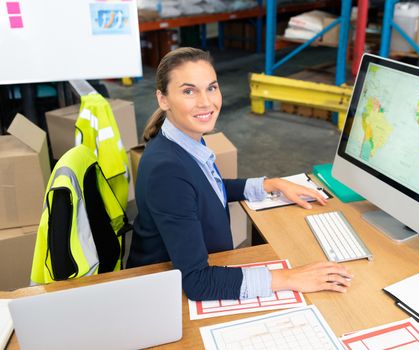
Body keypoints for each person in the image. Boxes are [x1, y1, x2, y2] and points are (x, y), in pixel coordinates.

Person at [127, 47, 352, 301]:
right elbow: (198, 283)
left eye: (211, 88)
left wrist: (269, 184)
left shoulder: (182, 138)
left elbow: (202, 188)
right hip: (162, 293)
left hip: (201, 265)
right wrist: (291, 278)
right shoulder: (167, 171)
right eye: (189, 91)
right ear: (163, 99)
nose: (206, 102)